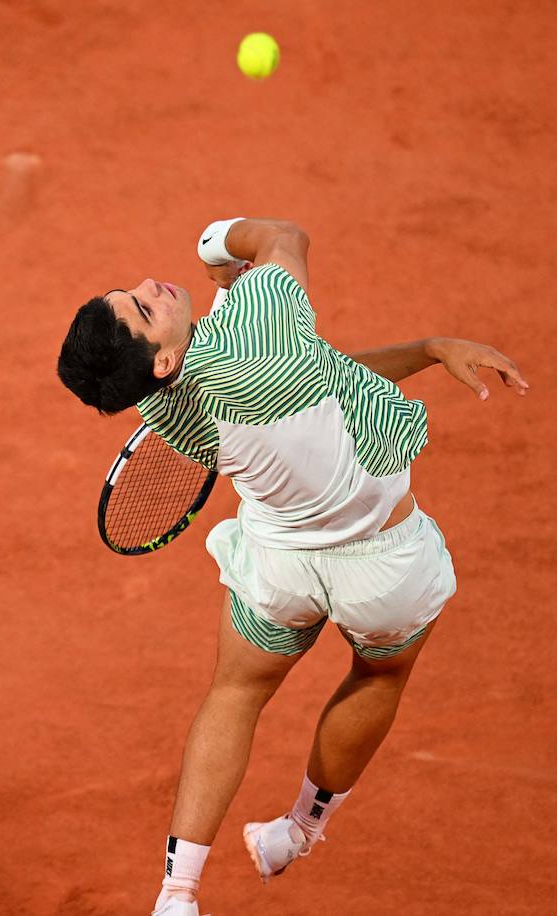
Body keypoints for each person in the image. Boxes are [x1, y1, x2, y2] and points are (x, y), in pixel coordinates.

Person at [54, 217, 528, 916]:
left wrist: (427, 350)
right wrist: (217, 251)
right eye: (146, 307)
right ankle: (300, 831)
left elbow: (321, 379)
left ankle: (177, 895)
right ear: (158, 359)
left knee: (235, 694)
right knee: (380, 672)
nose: (150, 286)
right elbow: (283, 236)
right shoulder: (255, 323)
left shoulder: (159, 408)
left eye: (133, 291)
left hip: (278, 569)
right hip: (384, 570)